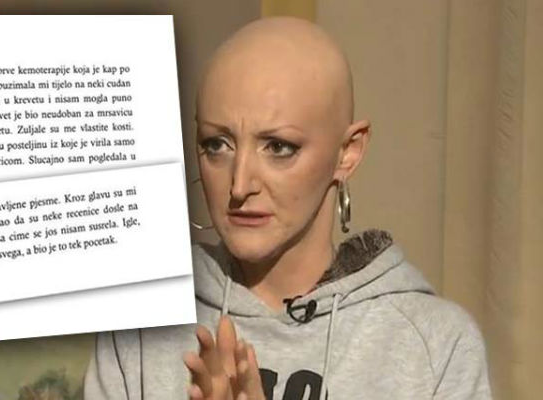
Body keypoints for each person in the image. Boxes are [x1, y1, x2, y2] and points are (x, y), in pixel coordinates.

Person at [84, 17, 492, 399]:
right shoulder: (140, 325)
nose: (240, 185)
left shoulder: (435, 344)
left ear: (348, 152)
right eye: (217, 145)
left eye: (278, 147)